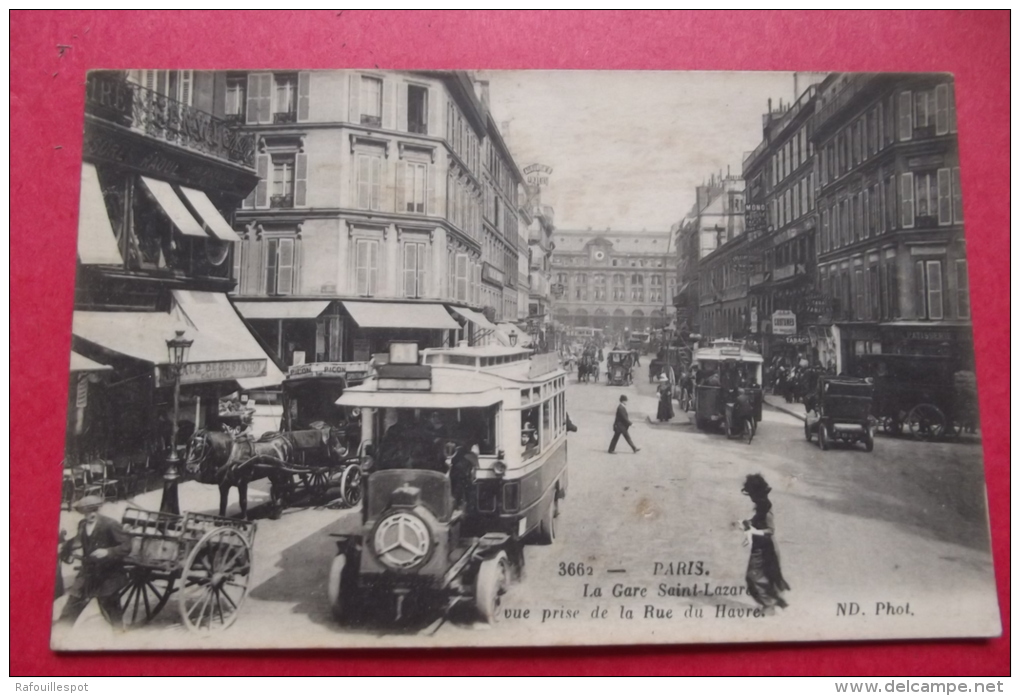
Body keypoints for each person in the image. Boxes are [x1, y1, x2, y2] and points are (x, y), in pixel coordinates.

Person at [57, 496, 132, 628]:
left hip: (108, 576)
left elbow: (126, 546)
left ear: (98, 510)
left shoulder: (110, 525)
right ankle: (60, 635)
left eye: (93, 511)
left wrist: (108, 552)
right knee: (71, 606)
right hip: (87, 574)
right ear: (82, 513)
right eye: (86, 513)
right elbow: (78, 540)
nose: (90, 515)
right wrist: (65, 548)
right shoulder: (82, 524)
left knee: (112, 611)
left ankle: (120, 636)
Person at [739, 474, 790, 610]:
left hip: (764, 548)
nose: (750, 497)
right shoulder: (761, 504)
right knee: (763, 576)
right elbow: (758, 521)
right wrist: (748, 523)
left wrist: (753, 531)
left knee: (754, 578)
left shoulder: (764, 507)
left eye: (751, 493)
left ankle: (769, 606)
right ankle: (772, 603)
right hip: (760, 546)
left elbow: (770, 530)